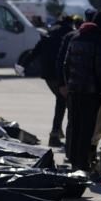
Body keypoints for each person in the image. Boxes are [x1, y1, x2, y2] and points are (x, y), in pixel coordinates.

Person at [62, 10, 101, 173]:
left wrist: (68, 84)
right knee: (86, 130)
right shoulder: (100, 42)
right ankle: (82, 164)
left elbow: (66, 64)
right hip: (90, 93)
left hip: (74, 91)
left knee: (75, 127)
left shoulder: (76, 37)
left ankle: (73, 162)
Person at [32, 15, 74, 146]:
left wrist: (23, 63)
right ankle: (57, 135)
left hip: (48, 75)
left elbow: (36, 50)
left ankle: (57, 134)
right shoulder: (69, 34)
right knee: (65, 103)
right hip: (59, 76)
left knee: (61, 102)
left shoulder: (50, 32)